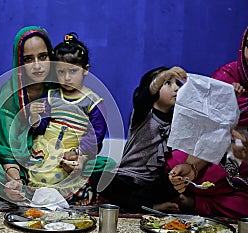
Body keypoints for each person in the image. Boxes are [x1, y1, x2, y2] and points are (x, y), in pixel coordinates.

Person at [0, 26, 55, 201]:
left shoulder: (59, 89)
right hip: (17, 165)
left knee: (105, 165)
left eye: (43, 56)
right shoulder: (11, 94)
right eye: (28, 59)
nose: (37, 65)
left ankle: (36, 189)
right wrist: (15, 179)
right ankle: (25, 190)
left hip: (52, 159)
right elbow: (5, 147)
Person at [25, 32, 115, 205]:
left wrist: (78, 153)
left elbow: (96, 135)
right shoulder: (51, 95)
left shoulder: (93, 102)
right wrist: (35, 117)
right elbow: (42, 126)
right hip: (47, 147)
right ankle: (42, 192)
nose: (67, 78)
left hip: (74, 149)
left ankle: (78, 191)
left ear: (86, 70)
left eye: (73, 71)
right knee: (42, 170)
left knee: (100, 167)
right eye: (61, 72)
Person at [167, 26, 248, 218]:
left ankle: (196, 202)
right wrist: (192, 167)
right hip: (216, 146)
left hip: (241, 156)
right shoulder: (227, 77)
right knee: (175, 162)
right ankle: (190, 191)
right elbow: (209, 126)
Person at [96, 66, 186, 212]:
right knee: (99, 178)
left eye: (178, 84)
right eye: (168, 83)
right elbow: (144, 97)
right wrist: (163, 76)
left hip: (152, 181)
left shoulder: (177, 120)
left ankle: (134, 204)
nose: (176, 88)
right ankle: (150, 207)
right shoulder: (143, 113)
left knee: (177, 184)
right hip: (128, 177)